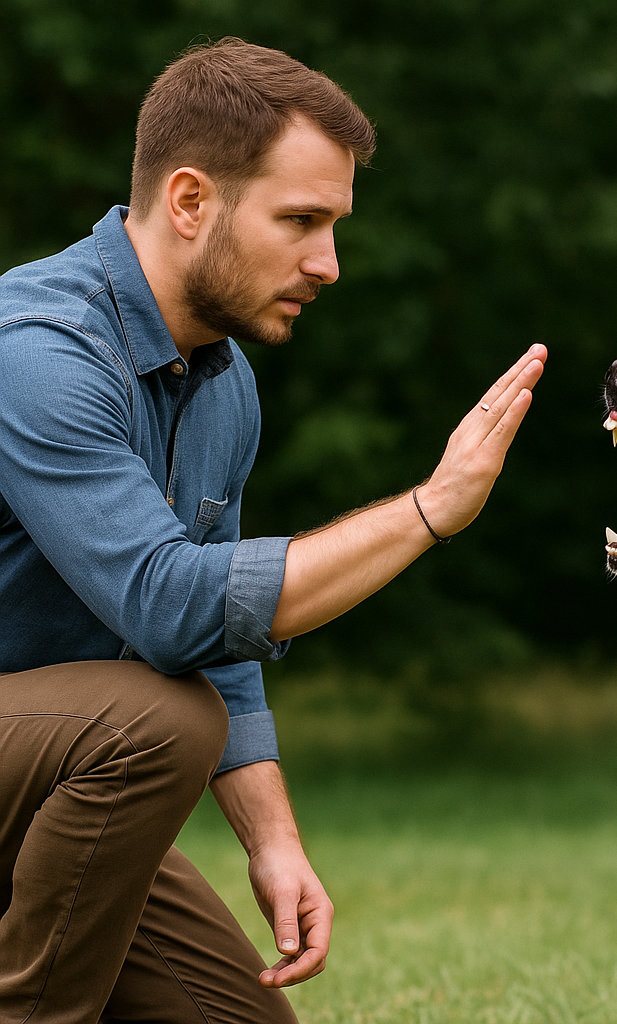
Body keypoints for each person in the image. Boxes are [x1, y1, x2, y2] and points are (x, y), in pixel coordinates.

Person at [0, 36, 546, 1024]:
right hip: (42, 762)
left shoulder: (224, 383)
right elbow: (170, 606)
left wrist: (272, 841)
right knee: (156, 718)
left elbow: (224, 634)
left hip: (36, 793)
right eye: (301, 221)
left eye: (334, 225)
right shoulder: (35, 352)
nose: (328, 264)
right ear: (190, 201)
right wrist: (428, 510)